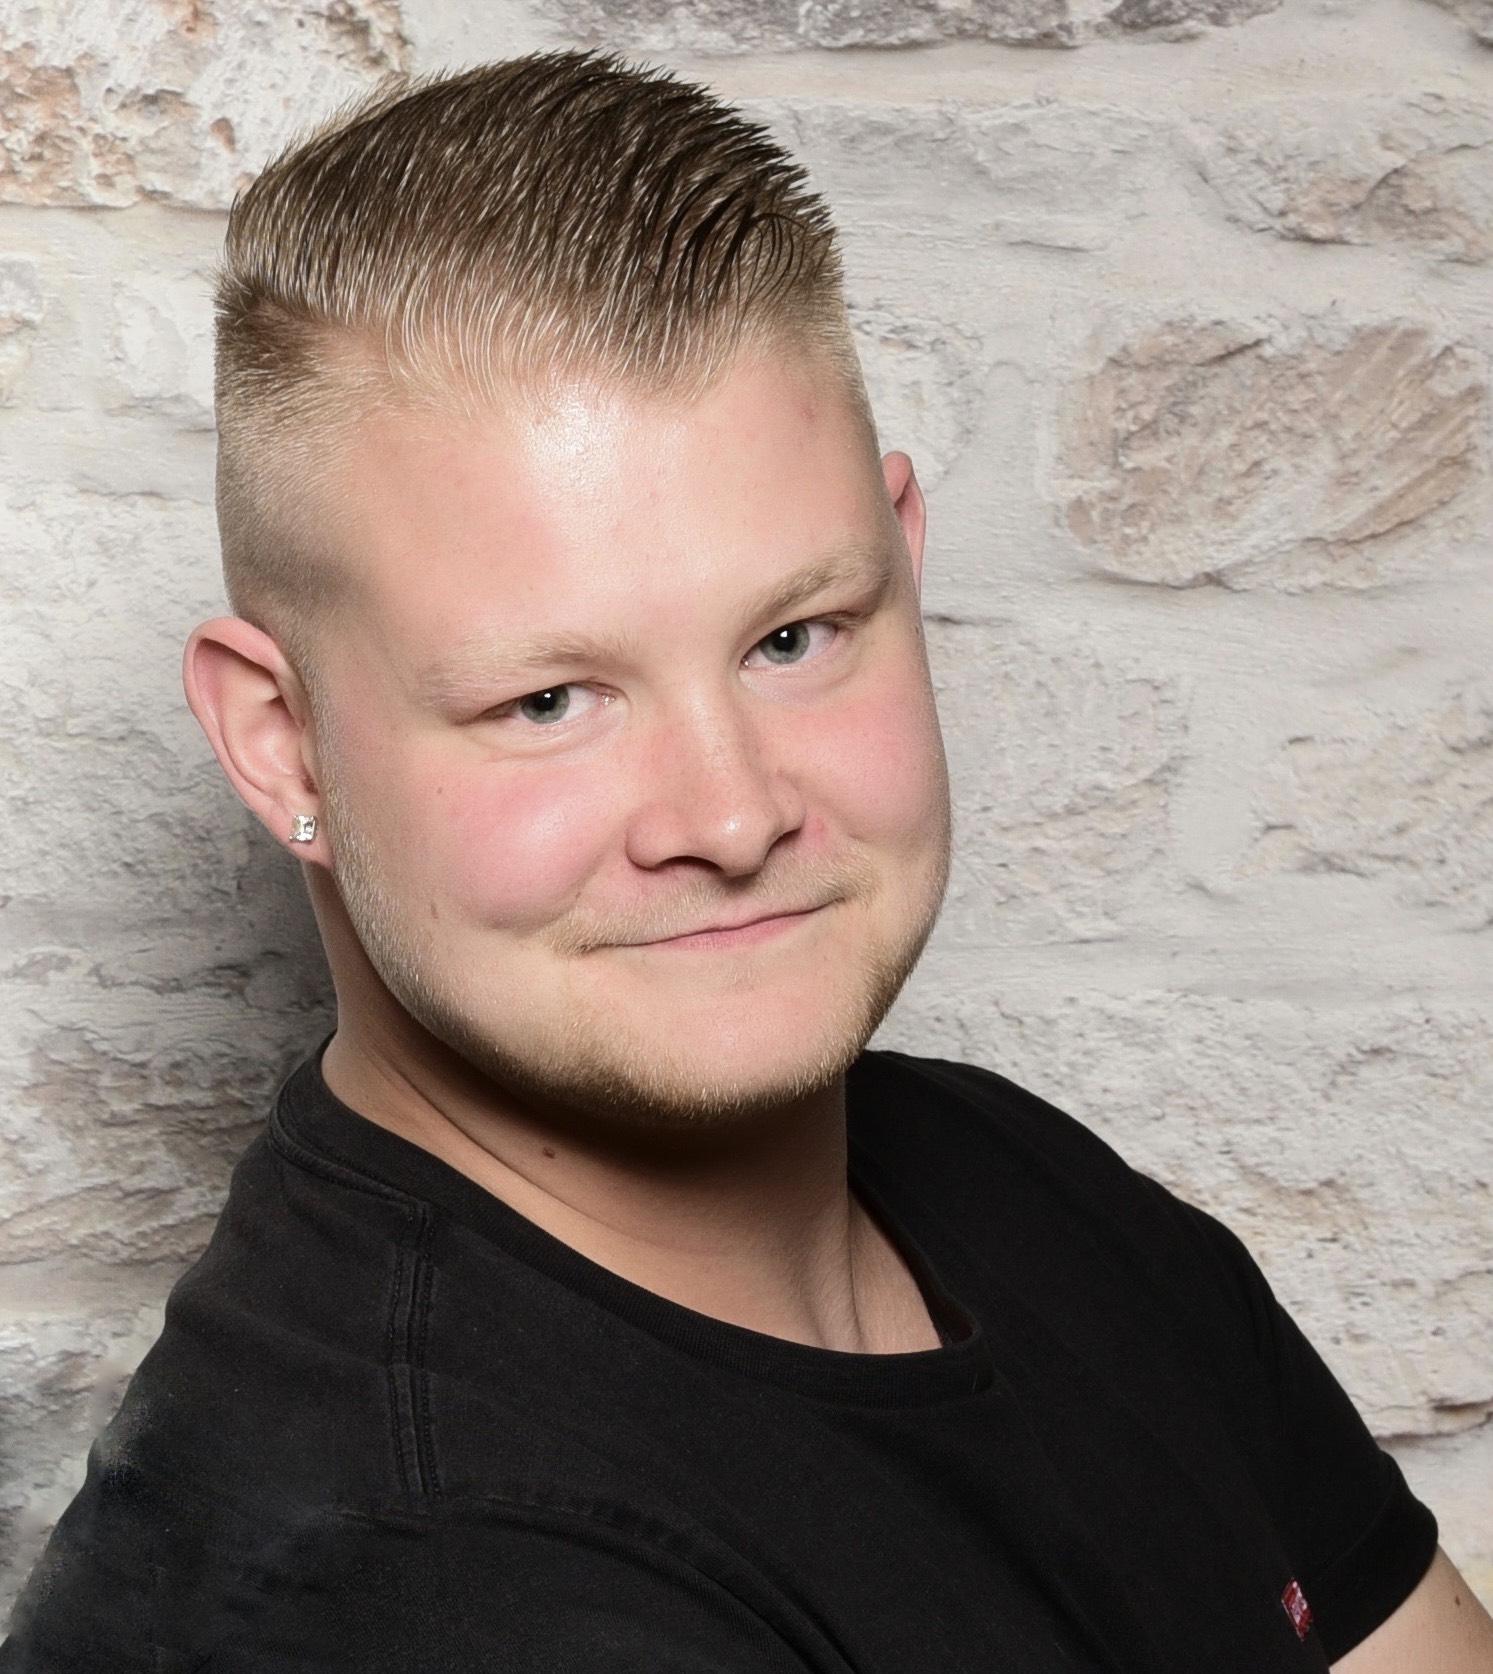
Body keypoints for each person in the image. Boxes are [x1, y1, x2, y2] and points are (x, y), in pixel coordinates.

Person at [3, 49, 1490, 1673]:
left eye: (793, 635)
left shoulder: (1025, 1191)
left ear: (901, 569)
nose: (728, 816)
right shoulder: (408, 1583)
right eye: (548, 698)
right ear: (284, 743)